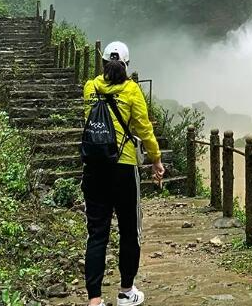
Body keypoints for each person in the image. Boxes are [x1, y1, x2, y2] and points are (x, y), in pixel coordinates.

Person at [82, 41, 165, 306]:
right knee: (130, 231)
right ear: (127, 65)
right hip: (124, 167)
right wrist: (156, 159)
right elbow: (143, 129)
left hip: (94, 168)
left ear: (103, 63)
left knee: (97, 234)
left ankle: (94, 300)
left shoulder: (90, 87)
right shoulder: (131, 90)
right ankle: (126, 292)